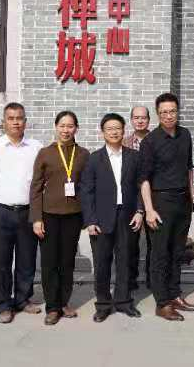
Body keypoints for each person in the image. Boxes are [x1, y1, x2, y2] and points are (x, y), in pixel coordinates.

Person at [0, 102, 43, 324]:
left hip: (28, 211)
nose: (16, 122)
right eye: (11, 118)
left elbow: (40, 180)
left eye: (20, 118)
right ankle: (3, 304)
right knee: (1, 261)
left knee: (27, 259)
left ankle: (23, 299)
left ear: (25, 121)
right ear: (3, 122)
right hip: (1, 211)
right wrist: (3, 196)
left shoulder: (36, 147)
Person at [78, 113, 143, 322]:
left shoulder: (134, 157)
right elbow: (86, 191)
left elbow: (142, 186)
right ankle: (103, 304)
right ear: (103, 133)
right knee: (102, 263)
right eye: (109, 129)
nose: (114, 132)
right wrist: (90, 220)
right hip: (101, 219)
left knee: (125, 261)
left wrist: (140, 211)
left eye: (118, 128)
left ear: (124, 131)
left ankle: (124, 301)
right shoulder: (94, 158)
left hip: (128, 216)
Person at [139, 92, 194, 321]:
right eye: (163, 112)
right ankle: (162, 302)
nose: (168, 116)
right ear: (158, 114)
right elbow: (143, 179)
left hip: (183, 201)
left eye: (172, 111)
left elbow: (189, 168)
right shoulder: (150, 141)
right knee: (160, 254)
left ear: (178, 111)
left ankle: (175, 294)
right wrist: (149, 210)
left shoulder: (185, 135)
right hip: (160, 202)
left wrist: (191, 197)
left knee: (177, 252)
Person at [29, 111, 90, 325]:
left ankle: (64, 302)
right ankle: (52, 307)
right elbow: (35, 187)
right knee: (49, 263)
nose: (66, 130)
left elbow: (87, 187)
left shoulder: (83, 154)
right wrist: (37, 218)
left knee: (67, 262)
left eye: (70, 126)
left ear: (76, 128)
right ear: (56, 127)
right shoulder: (45, 153)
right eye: (62, 125)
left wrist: (87, 216)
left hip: (73, 216)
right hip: (49, 216)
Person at [124, 105, 151, 291]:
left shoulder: (156, 140)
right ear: (131, 120)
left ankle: (152, 278)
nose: (140, 120)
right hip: (131, 198)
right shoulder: (124, 142)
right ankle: (131, 278)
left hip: (153, 197)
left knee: (154, 242)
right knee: (130, 243)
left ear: (149, 119)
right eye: (136, 117)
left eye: (143, 117)